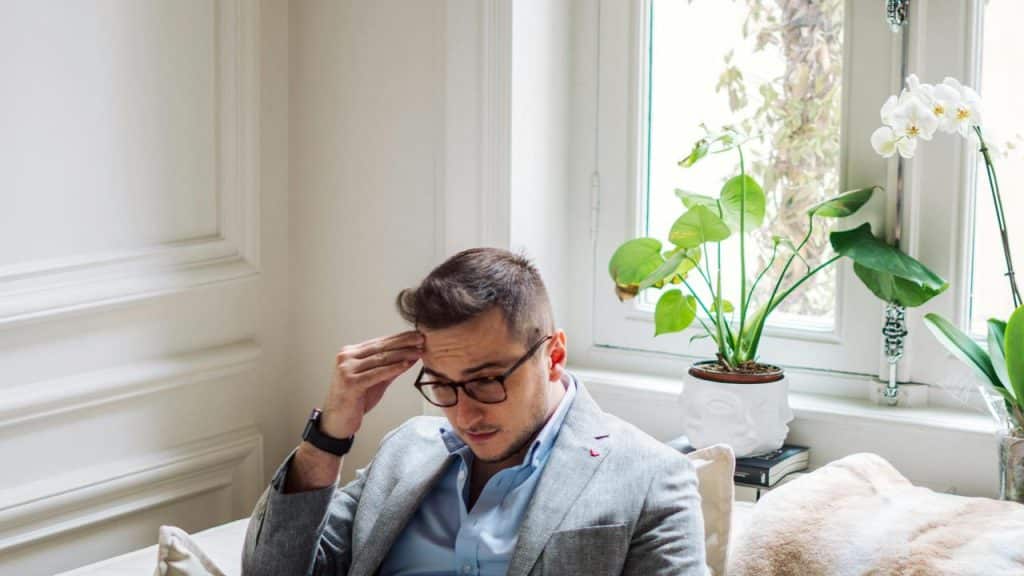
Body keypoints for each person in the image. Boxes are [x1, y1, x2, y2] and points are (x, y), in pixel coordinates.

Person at [242, 248, 707, 575]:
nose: (464, 415)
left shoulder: (650, 477)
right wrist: (329, 435)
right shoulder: (405, 451)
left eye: (486, 381)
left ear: (554, 355)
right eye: (442, 385)